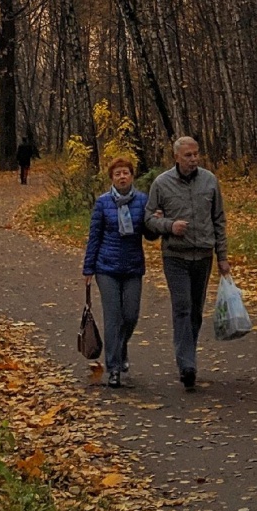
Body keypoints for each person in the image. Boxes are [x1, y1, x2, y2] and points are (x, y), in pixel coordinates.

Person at [143, 135, 228, 390]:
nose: (194, 159)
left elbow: (219, 219)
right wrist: (169, 225)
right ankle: (186, 365)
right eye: (188, 155)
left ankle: (188, 354)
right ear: (176, 157)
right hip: (175, 256)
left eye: (196, 154)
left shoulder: (209, 181)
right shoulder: (162, 183)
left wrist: (222, 256)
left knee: (195, 310)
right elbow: (148, 219)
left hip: (203, 254)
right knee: (182, 306)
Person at [82, 156, 148, 387]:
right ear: (111, 178)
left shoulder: (142, 201)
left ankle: (121, 348)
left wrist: (159, 221)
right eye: (117, 173)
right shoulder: (102, 203)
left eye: (126, 173)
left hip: (132, 267)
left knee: (130, 315)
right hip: (106, 268)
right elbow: (95, 236)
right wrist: (88, 268)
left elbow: (149, 232)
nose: (122, 177)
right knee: (113, 317)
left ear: (132, 176)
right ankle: (114, 368)